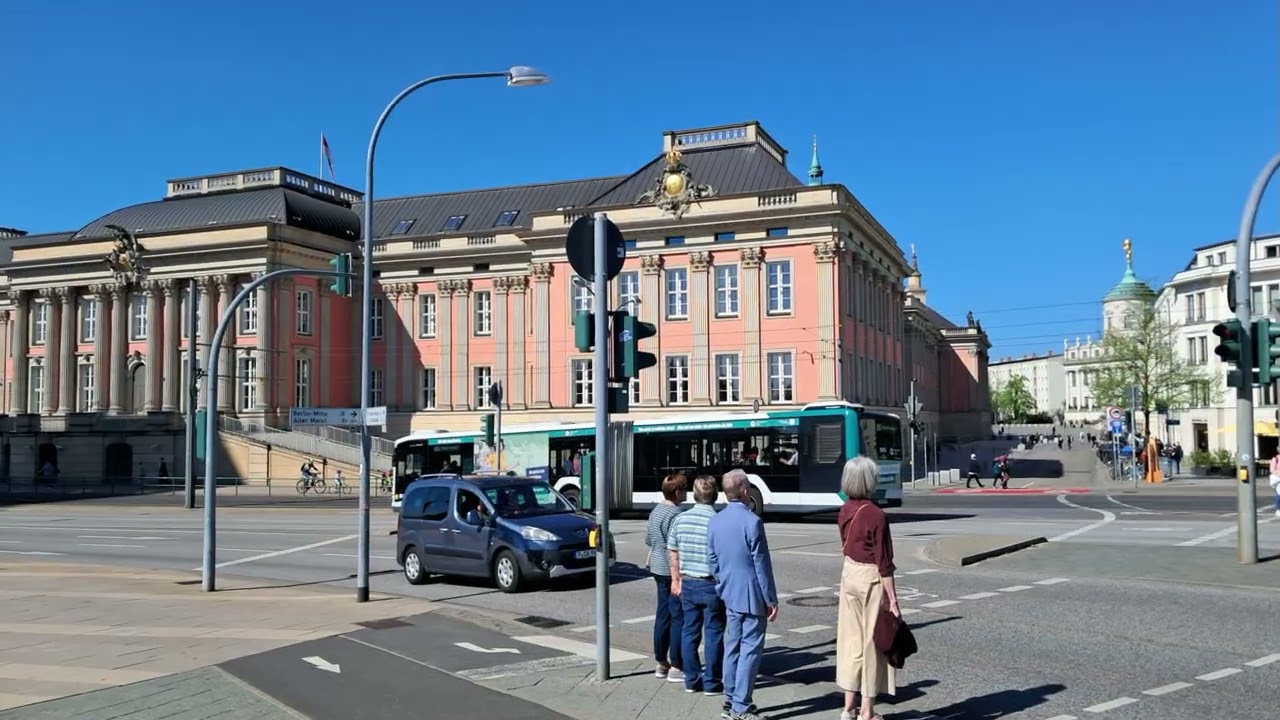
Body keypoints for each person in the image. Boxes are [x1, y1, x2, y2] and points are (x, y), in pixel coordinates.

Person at [708, 470, 779, 720]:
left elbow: (713, 561)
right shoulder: (752, 522)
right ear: (745, 492)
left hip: (729, 593)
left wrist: (721, 585)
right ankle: (741, 705)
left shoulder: (715, 521)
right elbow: (762, 566)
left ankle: (730, 698)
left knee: (732, 647)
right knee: (750, 650)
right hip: (752, 595)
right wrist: (771, 599)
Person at [835, 456, 899, 720]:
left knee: (850, 642)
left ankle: (847, 707)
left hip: (849, 573)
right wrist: (893, 600)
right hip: (871, 578)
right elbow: (884, 562)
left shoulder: (845, 509)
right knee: (872, 644)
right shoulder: (875, 514)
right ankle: (867, 712)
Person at [667, 475, 725, 697]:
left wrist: (675, 580)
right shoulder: (718, 521)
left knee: (689, 632)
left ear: (694, 494)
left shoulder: (680, 519)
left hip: (688, 583)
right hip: (712, 584)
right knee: (714, 634)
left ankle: (691, 680)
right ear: (715, 495)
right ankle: (712, 682)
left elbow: (673, 551)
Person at [644, 474, 688, 682]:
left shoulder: (656, 511)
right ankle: (676, 665)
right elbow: (676, 545)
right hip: (672, 570)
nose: (687, 492)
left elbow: (648, 539)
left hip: (657, 566)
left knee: (662, 614)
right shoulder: (675, 513)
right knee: (677, 616)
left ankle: (661, 662)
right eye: (685, 489)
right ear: (678, 492)